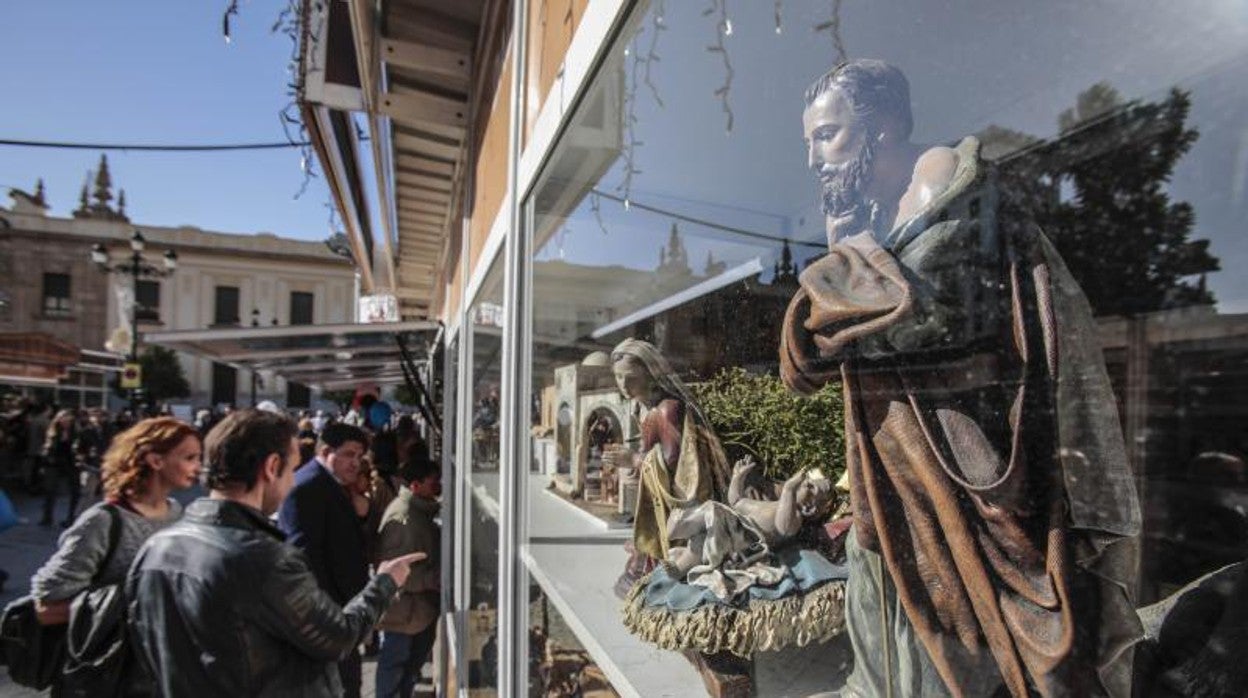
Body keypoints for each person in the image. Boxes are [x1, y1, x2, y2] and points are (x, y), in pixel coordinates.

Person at [780, 59, 1141, 696]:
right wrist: (846, 259)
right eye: (810, 140)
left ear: (882, 127)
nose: (814, 158)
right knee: (880, 612)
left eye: (827, 135)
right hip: (896, 470)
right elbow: (818, 353)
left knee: (950, 643)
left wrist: (842, 263)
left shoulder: (940, 180)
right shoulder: (877, 212)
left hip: (957, 471)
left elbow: (908, 318)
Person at [127, 409, 425, 697]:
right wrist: (385, 582)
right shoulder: (263, 559)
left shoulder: (155, 549)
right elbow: (337, 637)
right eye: (292, 469)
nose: (293, 481)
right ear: (272, 467)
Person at [31, 416, 201, 695]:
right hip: (105, 678)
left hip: (156, 674)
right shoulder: (103, 521)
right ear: (155, 460)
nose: (198, 467)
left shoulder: (177, 513)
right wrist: (131, 603)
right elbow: (46, 607)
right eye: (190, 458)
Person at [609, 338, 731, 596]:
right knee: (643, 547)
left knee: (663, 547)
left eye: (631, 377)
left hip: (676, 500)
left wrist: (634, 460)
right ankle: (645, 562)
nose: (623, 385)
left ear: (650, 373)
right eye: (618, 377)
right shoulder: (641, 406)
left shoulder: (666, 410)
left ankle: (660, 565)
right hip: (656, 498)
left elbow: (673, 462)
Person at [277, 422, 372, 697]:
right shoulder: (308, 486)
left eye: (360, 456)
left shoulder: (331, 484)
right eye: (349, 454)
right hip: (326, 619)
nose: (356, 463)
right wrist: (329, 618)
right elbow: (304, 558)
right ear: (326, 452)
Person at [374, 452, 442, 698]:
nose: (438, 487)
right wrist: (432, 579)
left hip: (414, 612)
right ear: (415, 485)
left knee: (406, 671)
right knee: (394, 669)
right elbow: (392, 573)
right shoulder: (403, 520)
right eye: (433, 482)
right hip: (402, 613)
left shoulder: (418, 513)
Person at [40, 408, 81, 527]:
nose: (66, 421)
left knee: (75, 491)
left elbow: (79, 446)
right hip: (54, 463)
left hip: (70, 463)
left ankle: (71, 517)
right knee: (50, 490)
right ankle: (47, 517)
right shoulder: (53, 431)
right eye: (63, 418)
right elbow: (47, 447)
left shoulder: (76, 432)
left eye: (68, 418)